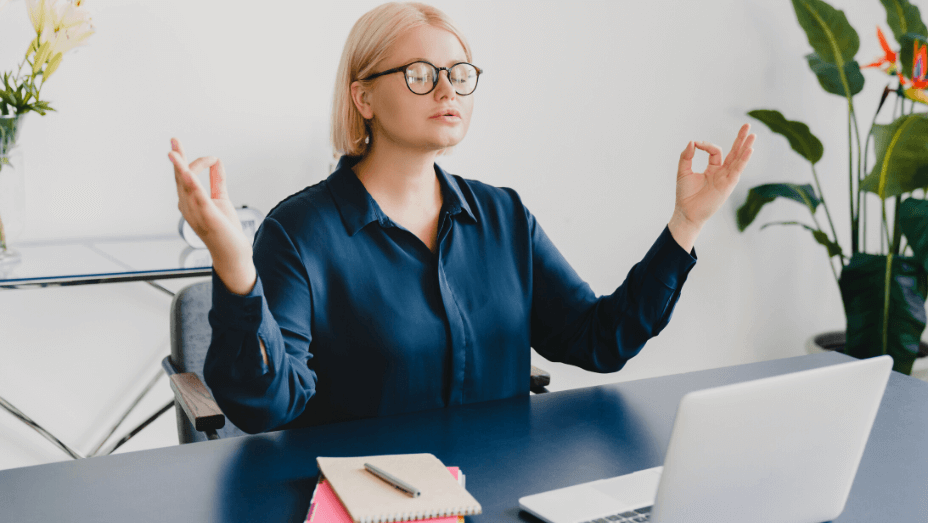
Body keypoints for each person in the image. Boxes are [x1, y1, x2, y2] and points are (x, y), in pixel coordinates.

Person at [167, 2, 756, 435]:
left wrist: (685, 223)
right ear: (363, 97)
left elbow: (599, 341)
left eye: (460, 73)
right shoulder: (300, 232)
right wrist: (233, 264)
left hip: (501, 491)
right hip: (370, 502)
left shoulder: (503, 215)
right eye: (420, 74)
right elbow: (266, 406)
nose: (446, 88)